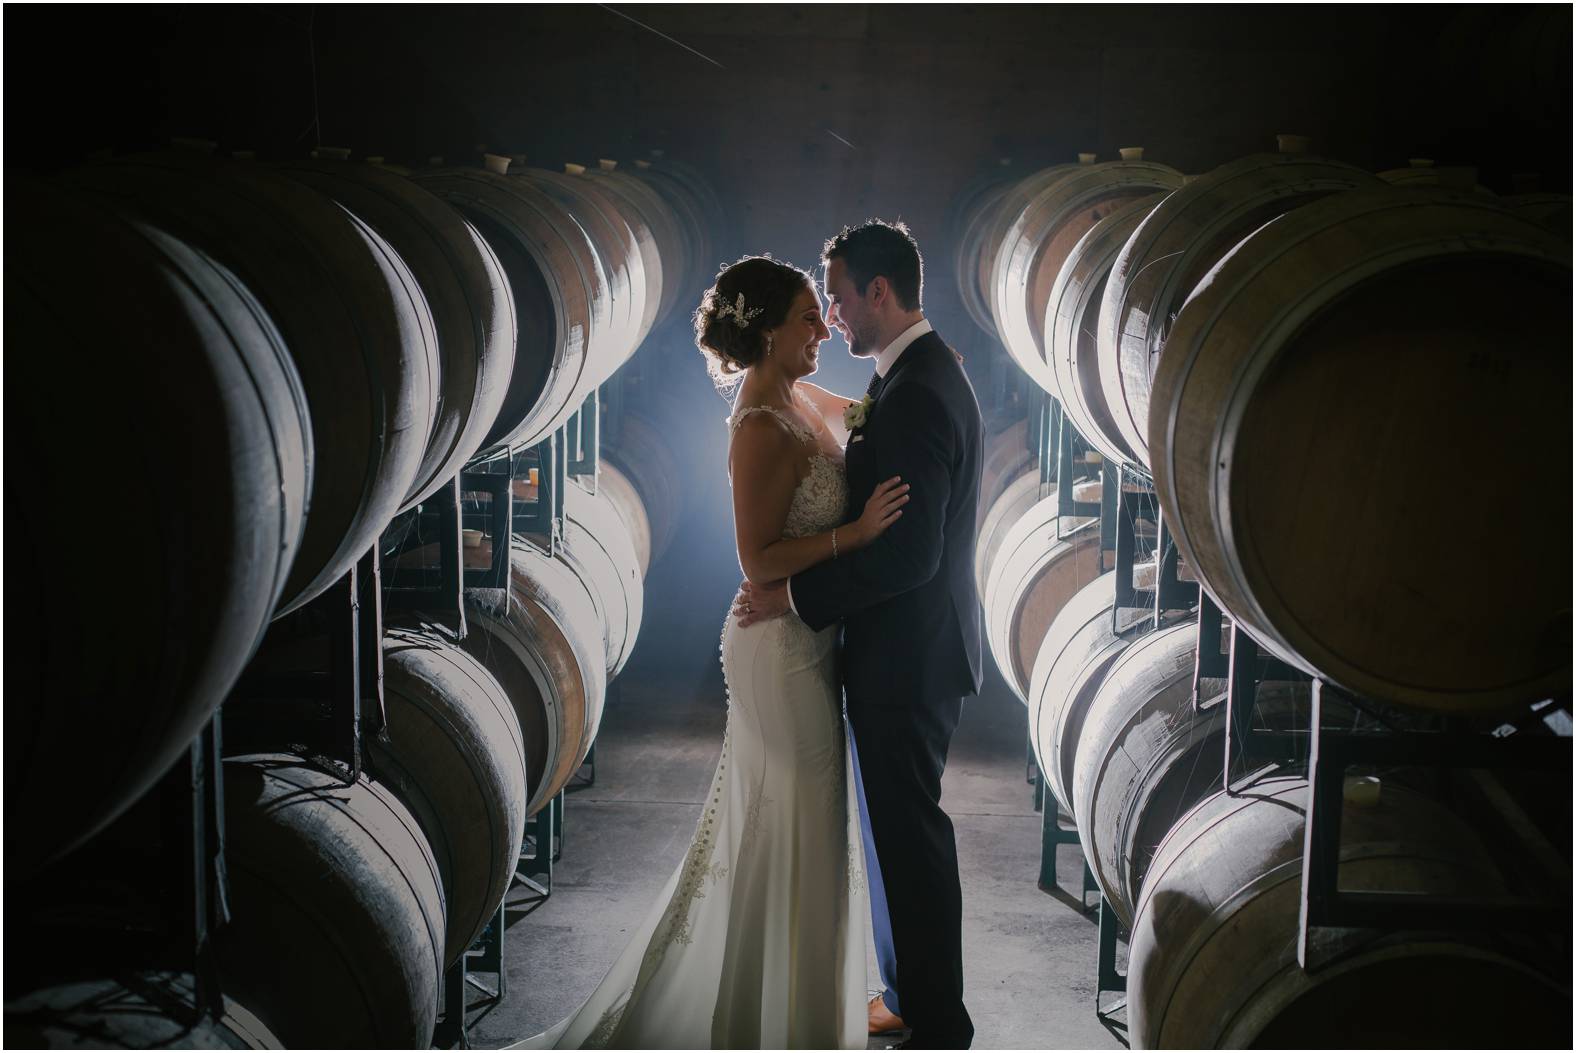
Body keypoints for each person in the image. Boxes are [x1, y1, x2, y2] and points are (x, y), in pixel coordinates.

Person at [511, 254, 908, 1050]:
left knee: (802, 830)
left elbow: (871, 409)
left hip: (804, 644)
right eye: (807, 317)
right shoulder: (759, 426)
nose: (822, 328)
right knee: (791, 828)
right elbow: (757, 560)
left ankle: (786, 1015)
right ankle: (770, 1024)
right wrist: (855, 534)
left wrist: (924, 368)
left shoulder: (796, 398)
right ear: (764, 330)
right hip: (777, 651)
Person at [738, 220, 984, 1050]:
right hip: (903, 654)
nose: (834, 316)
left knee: (911, 843)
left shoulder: (916, 392)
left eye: (839, 297)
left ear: (879, 292)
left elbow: (912, 557)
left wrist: (797, 593)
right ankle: (908, 991)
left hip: (907, 660)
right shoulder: (913, 372)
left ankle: (940, 1025)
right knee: (893, 837)